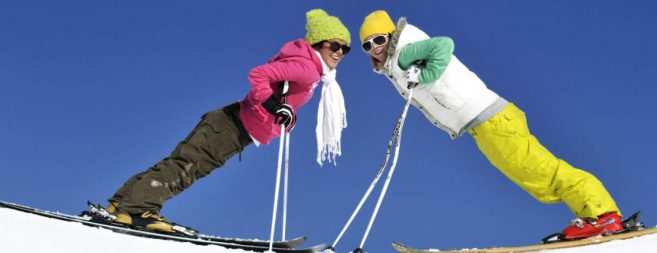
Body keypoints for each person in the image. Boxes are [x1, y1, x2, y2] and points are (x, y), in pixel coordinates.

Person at [358, 10, 624, 240]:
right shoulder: (396, 63)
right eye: (367, 45)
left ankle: (602, 214)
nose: (375, 47)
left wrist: (426, 73)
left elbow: (443, 45)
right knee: (536, 179)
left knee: (543, 172)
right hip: (484, 124)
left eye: (379, 39)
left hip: (490, 119)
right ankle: (592, 218)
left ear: (391, 35)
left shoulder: (404, 50)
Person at [104, 9, 351, 234]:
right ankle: (137, 209)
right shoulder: (307, 68)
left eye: (345, 48)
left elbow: (279, 94)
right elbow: (259, 75)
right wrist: (272, 105)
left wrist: (285, 114)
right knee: (189, 166)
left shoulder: (310, 68)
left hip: (233, 124)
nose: (340, 52)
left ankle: (122, 204)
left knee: (184, 161)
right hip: (231, 126)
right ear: (319, 43)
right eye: (335, 45)